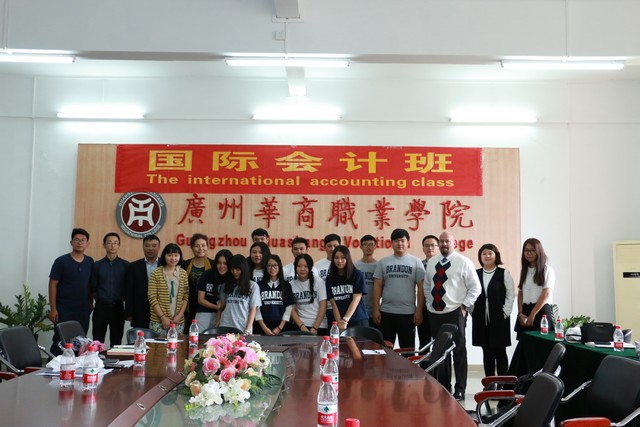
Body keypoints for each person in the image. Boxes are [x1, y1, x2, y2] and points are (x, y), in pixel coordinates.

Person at [424, 231, 481, 401]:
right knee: (441, 352)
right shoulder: (432, 262)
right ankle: (444, 387)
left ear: (454, 243)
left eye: (447, 241)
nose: (444, 244)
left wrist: (464, 306)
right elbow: (427, 285)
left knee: (459, 351)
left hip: (455, 312)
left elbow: (475, 287)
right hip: (435, 313)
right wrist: (429, 303)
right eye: (441, 241)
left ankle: (460, 389)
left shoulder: (463, 262)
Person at [372, 228, 425, 348]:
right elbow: (377, 286)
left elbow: (421, 287)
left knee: (407, 349)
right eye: (396, 241)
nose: (399, 243)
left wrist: (419, 311)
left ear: (408, 242)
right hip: (386, 312)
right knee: (385, 349)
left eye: (402, 240)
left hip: (408, 313)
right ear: (391, 243)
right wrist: (376, 309)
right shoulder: (383, 262)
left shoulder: (416, 262)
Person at [471, 243, 515, 377]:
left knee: (500, 351)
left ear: (496, 256)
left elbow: (510, 294)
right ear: (480, 257)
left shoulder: (504, 273)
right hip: (480, 318)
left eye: (490, 253)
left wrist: (505, 312)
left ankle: (503, 383)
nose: (487, 256)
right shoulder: (475, 274)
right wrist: (472, 311)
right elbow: (469, 293)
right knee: (486, 352)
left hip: (499, 318)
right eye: (484, 254)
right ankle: (489, 383)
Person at [48, 228, 94, 354]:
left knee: (81, 341)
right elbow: (52, 284)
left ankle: (76, 365)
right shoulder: (61, 261)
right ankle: (54, 363)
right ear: (71, 242)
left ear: (87, 243)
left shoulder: (90, 261)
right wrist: (53, 309)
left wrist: (90, 302)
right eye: (76, 240)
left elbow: (91, 284)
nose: (79, 242)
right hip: (64, 309)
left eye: (83, 240)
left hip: (83, 309)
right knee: (60, 340)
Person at [90, 232, 130, 346]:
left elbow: (128, 288)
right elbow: (93, 286)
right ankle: (97, 358)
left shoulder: (126, 266)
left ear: (119, 245)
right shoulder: (97, 265)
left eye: (115, 243)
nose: (112, 245)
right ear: (104, 245)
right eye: (109, 243)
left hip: (118, 308)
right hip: (101, 308)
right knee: (97, 341)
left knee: (116, 342)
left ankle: (114, 359)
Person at [148, 243, 189, 336]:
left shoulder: (183, 274)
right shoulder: (156, 273)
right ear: (164, 256)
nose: (173, 258)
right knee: (158, 345)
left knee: (177, 344)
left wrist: (179, 316)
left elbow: (186, 296)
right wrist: (163, 317)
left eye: (176, 255)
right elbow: (152, 297)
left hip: (178, 321)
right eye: (169, 255)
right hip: (158, 321)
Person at [515, 238, 555, 334]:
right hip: (525, 311)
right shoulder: (524, 271)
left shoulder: (547, 270)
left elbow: (546, 294)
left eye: (532, 250)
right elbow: (520, 293)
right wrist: (520, 314)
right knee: (525, 342)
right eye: (526, 250)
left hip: (541, 311)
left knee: (541, 341)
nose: (529, 253)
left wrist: (533, 314)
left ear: (539, 251)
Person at [325, 245, 369, 329]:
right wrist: (339, 322)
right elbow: (333, 303)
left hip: (357, 320)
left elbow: (356, 299)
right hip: (339, 321)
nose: (339, 261)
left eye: (343, 258)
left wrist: (345, 320)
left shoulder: (357, 274)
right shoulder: (330, 278)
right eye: (336, 258)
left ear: (348, 258)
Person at [218, 254, 261, 334]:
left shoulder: (253, 286)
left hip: (242, 327)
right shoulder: (225, 285)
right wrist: (217, 323)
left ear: (243, 269)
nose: (234, 272)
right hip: (225, 325)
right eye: (232, 269)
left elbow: (253, 309)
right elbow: (221, 307)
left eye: (237, 269)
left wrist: (248, 329)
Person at [125, 234, 160, 328]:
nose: (150, 249)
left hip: (161, 312)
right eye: (147, 245)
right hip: (139, 312)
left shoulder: (165, 265)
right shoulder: (133, 266)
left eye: (154, 246)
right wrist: (129, 312)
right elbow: (129, 291)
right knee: (140, 336)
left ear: (159, 247)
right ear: (143, 247)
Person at [255, 254, 295, 335]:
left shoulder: (286, 285)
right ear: (266, 267)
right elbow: (256, 308)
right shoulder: (259, 285)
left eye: (275, 265)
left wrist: (279, 327)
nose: (272, 268)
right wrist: (264, 328)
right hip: (262, 326)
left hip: (282, 326)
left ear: (279, 267)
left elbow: (288, 308)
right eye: (269, 265)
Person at [182, 233, 214, 333]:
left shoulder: (213, 264)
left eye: (203, 245)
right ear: (192, 248)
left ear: (207, 247)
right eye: (197, 246)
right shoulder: (185, 264)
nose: (200, 248)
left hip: (207, 306)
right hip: (188, 305)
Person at [291, 254, 328, 335]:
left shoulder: (319, 282)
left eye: (306, 266)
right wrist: (302, 327)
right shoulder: (291, 284)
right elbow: (292, 309)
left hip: (320, 325)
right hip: (300, 326)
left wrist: (315, 328)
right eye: (299, 266)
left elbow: (323, 306)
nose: (302, 269)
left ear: (310, 267)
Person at [195, 249, 232, 331]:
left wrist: (220, 310)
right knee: (201, 337)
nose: (221, 266)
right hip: (204, 313)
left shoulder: (232, 278)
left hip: (224, 315)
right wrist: (216, 307)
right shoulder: (207, 274)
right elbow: (200, 300)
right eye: (219, 263)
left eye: (225, 263)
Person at [418, 234, 439, 349]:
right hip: (423, 307)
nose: (430, 248)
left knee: (440, 343)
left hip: (440, 308)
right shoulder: (419, 265)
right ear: (423, 248)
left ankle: (440, 363)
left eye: (433, 245)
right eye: (426, 245)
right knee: (424, 343)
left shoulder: (444, 265)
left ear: (438, 247)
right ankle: (424, 362)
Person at [354, 234, 379, 328]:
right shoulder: (355, 266)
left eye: (371, 244)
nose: (368, 247)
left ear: (375, 247)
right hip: (358, 309)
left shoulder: (379, 265)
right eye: (365, 244)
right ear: (361, 247)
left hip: (374, 310)